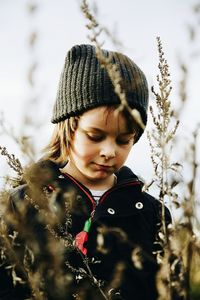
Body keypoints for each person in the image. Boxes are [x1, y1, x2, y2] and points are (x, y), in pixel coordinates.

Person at [0, 44, 171, 300]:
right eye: (95, 136)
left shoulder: (151, 214)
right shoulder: (19, 205)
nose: (109, 151)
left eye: (124, 140)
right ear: (68, 128)